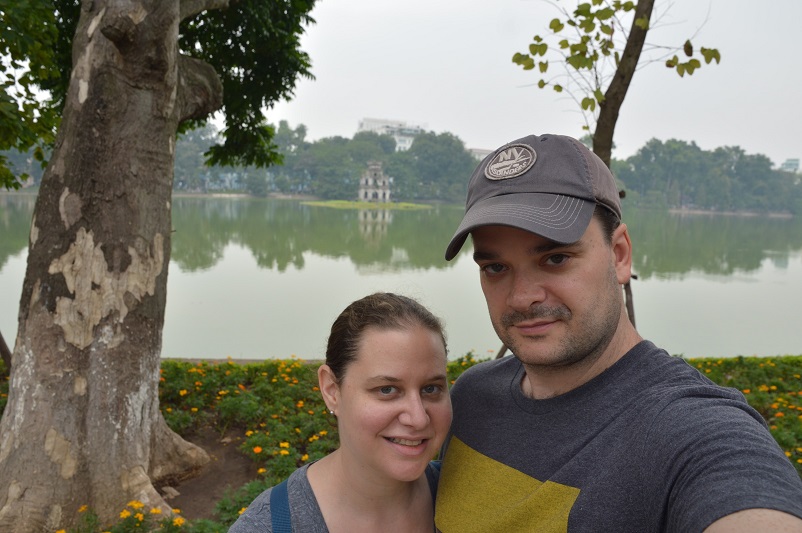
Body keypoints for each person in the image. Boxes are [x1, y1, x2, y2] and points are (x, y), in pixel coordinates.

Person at [434, 133, 802, 532]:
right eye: (495, 268)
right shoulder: (471, 397)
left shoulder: (686, 431)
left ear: (620, 254)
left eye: (555, 258)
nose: (522, 297)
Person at [229, 292, 452, 532]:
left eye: (431, 388)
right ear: (331, 389)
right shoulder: (268, 526)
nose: (418, 418)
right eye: (387, 389)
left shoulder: (467, 496)